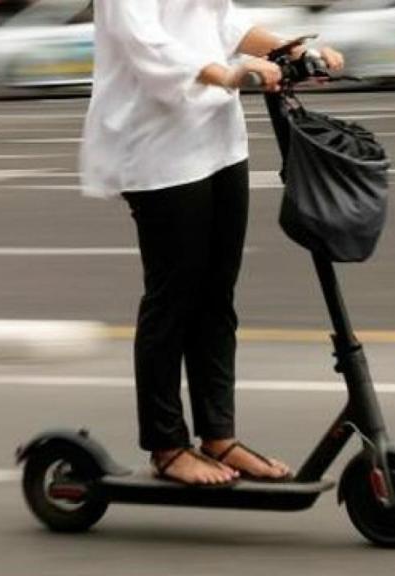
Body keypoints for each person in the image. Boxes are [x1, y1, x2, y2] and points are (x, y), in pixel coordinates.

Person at [79, 0, 344, 486]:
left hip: (219, 142)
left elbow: (223, 20)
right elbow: (147, 45)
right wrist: (226, 75)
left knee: (217, 295)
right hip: (158, 148)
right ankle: (167, 445)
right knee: (174, 297)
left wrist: (292, 48)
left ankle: (218, 436)